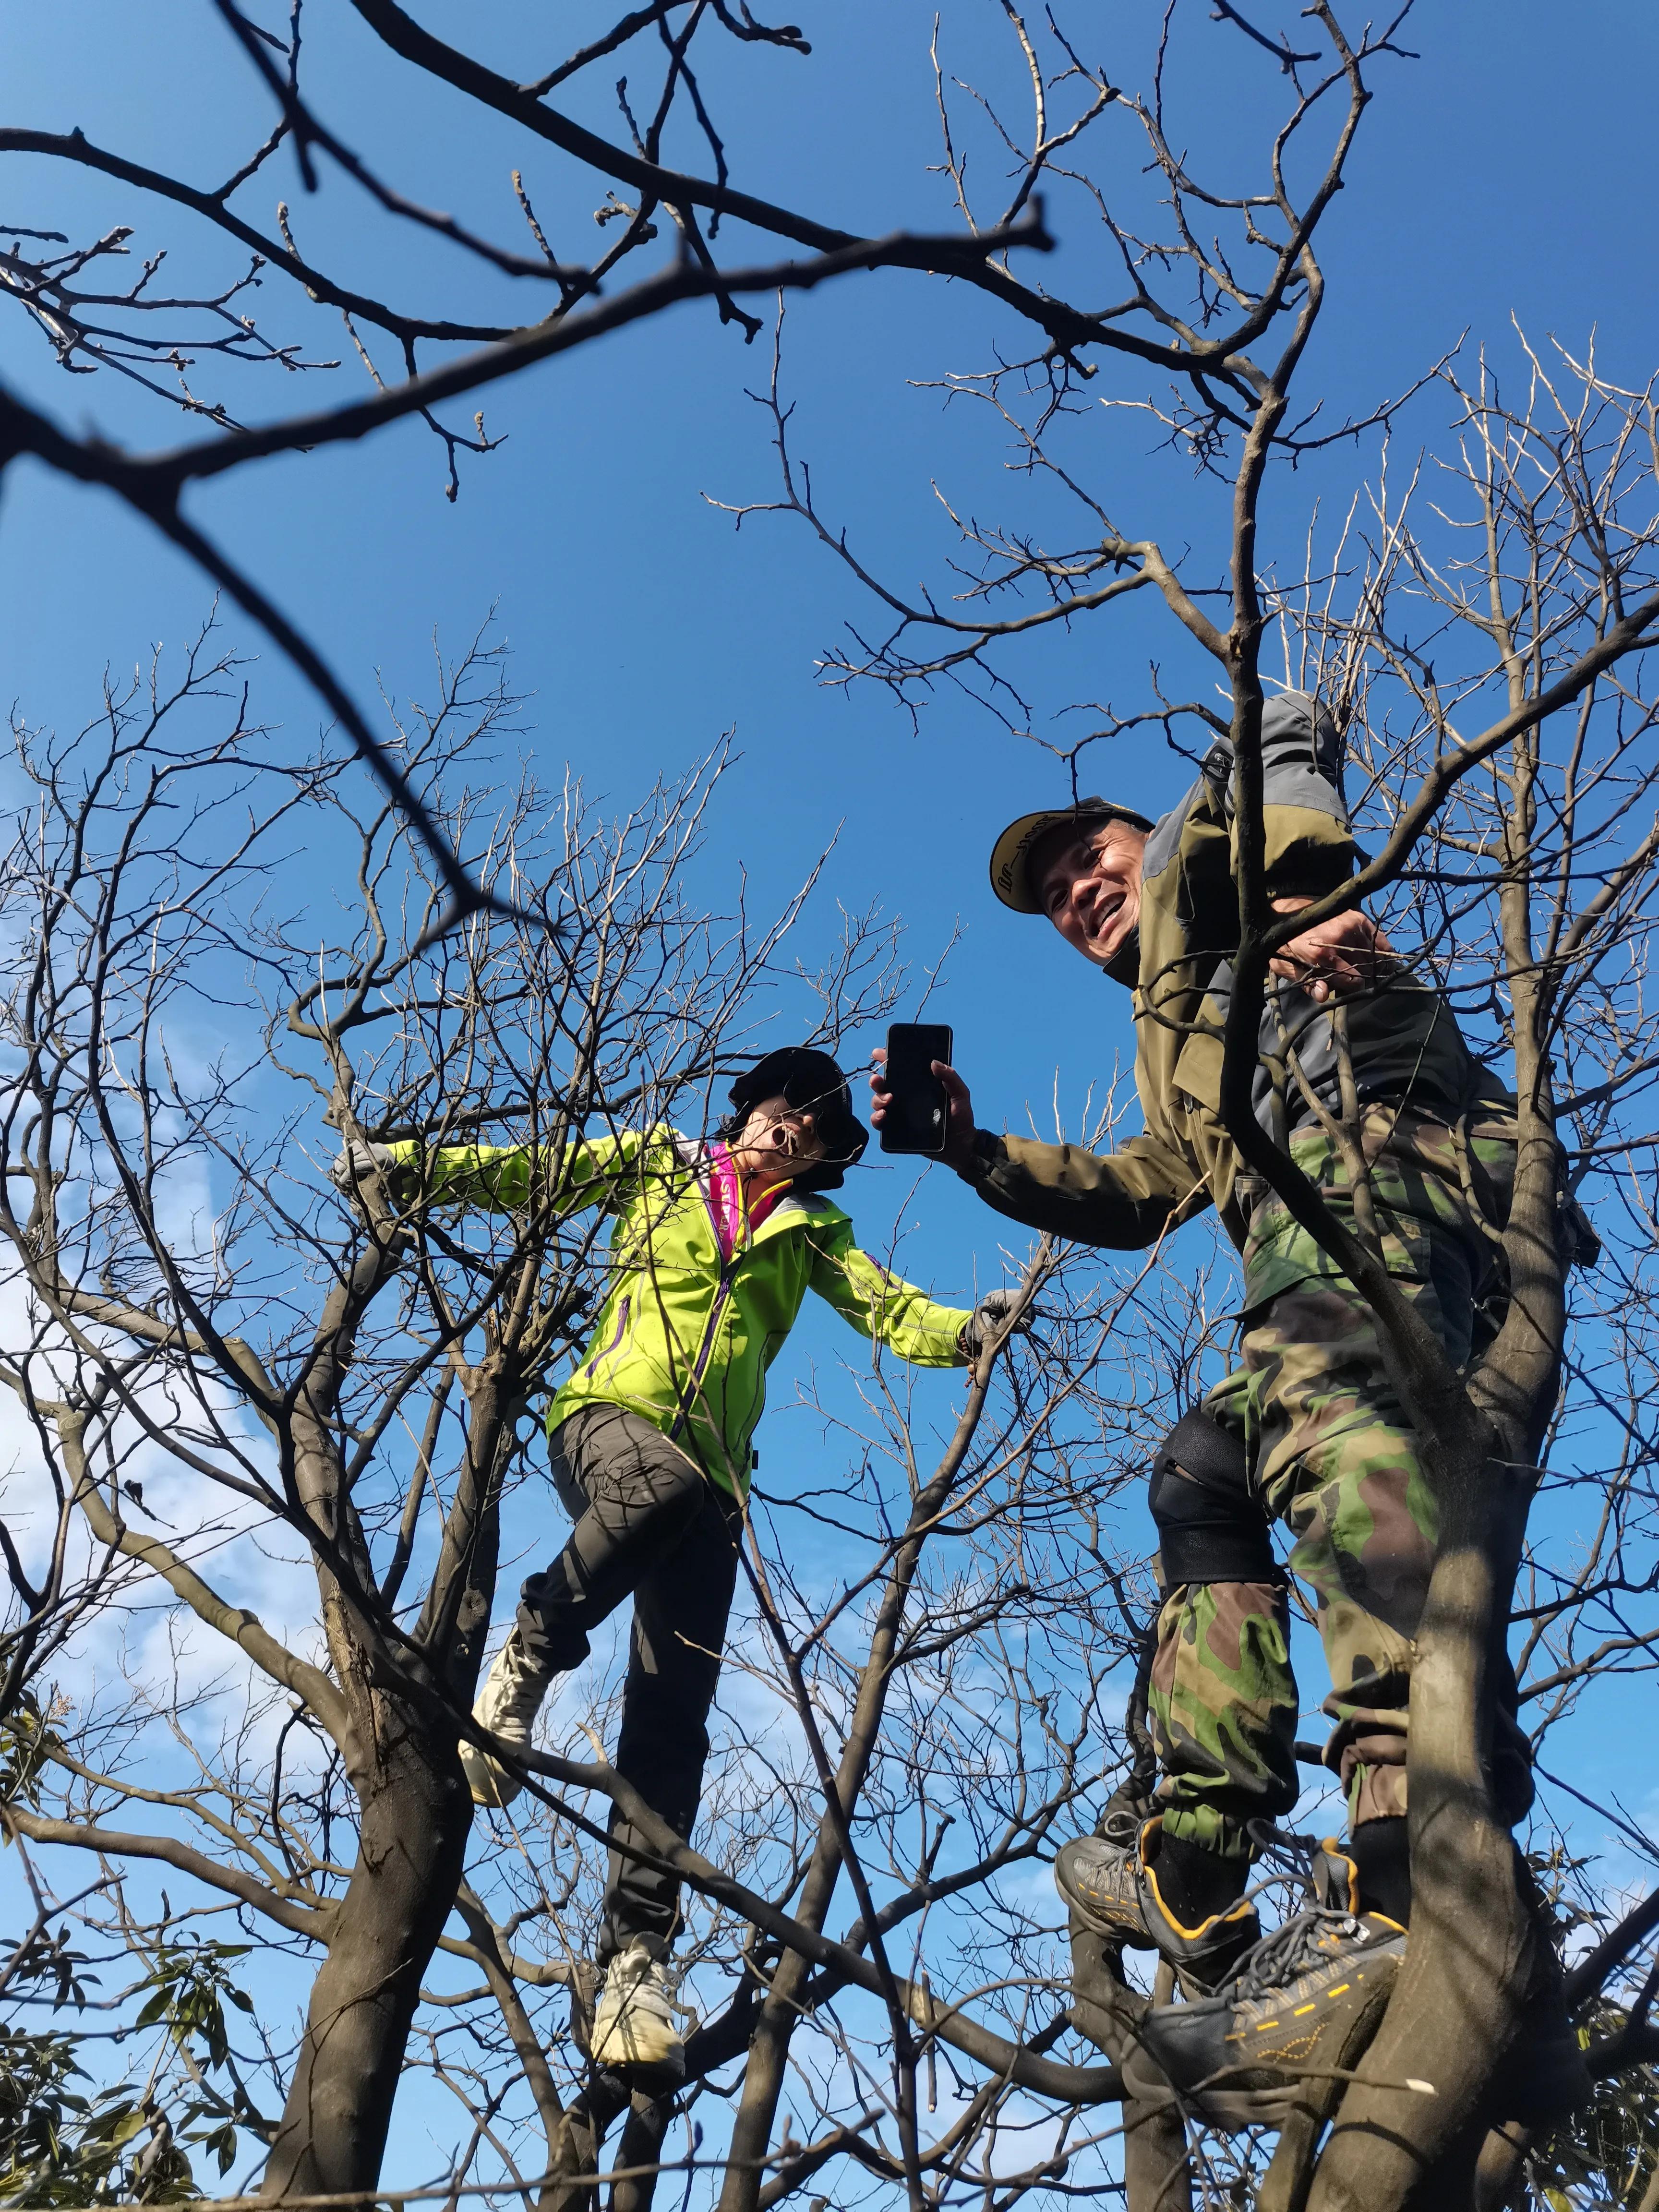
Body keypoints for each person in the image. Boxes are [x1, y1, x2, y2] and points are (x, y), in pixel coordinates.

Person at [869, 693, 1548, 2075]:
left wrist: (1298, 895)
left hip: (1372, 1156)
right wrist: (974, 1151)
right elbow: (1147, 1191)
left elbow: (1282, 729)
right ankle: (1197, 1860)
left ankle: (1406, 1865)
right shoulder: (1170, 1029)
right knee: (1205, 1466)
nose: (1078, 894)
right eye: (1056, 900)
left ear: (1144, 836)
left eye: (1087, 859)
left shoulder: (1202, 851)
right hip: (1314, 1224)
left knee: (1338, 1433)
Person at [337, 1047, 1008, 2084]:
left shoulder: (813, 1231)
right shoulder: (662, 1164)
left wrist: (967, 1332)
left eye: (814, 1131)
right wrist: (408, 1164)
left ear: (821, 1159)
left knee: (674, 1713)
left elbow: (887, 1306)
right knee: (658, 1486)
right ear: (747, 1111)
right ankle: (530, 1653)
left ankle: (634, 1966)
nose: (794, 1129)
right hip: (610, 1422)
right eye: (784, 1110)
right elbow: (537, 1170)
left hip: (715, 1486)